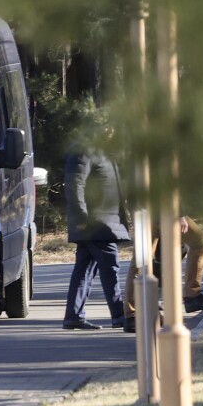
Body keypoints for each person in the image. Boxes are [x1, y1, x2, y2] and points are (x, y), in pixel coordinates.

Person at [62, 134, 128, 330]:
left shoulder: (105, 151)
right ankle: (119, 315)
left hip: (105, 221)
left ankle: (73, 315)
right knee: (110, 267)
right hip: (96, 223)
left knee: (84, 269)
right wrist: (82, 218)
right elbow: (75, 186)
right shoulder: (84, 150)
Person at [122, 216, 203, 333]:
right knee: (199, 242)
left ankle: (132, 315)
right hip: (161, 208)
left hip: (146, 209)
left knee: (141, 258)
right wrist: (179, 215)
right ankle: (192, 295)